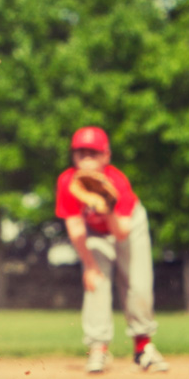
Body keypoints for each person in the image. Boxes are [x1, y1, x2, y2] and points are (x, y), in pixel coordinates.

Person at [55, 126, 169, 374]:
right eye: (81, 152)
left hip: (127, 225)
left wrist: (106, 206)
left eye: (93, 153)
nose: (86, 158)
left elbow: (121, 232)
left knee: (138, 284)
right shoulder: (67, 181)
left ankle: (143, 348)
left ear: (106, 156)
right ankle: (98, 349)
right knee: (96, 282)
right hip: (94, 233)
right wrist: (89, 266)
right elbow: (75, 227)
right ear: (73, 155)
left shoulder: (117, 181)